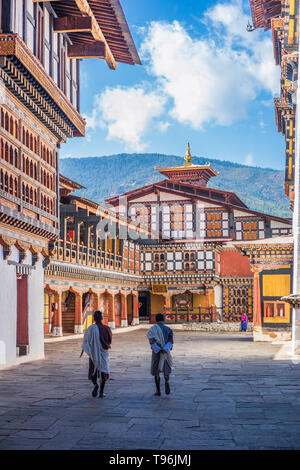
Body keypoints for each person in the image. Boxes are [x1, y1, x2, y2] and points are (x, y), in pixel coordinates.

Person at [81, 310, 112, 398]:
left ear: (94, 318)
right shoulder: (107, 329)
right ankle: (101, 392)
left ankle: (95, 385)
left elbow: (86, 341)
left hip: (93, 354)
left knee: (93, 370)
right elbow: (109, 341)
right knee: (104, 372)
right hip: (103, 354)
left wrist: (92, 349)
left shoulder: (90, 328)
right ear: (102, 318)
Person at [147, 313, 174, 396]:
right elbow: (171, 341)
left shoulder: (152, 329)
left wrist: (159, 349)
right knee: (166, 367)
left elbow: (151, 341)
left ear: (156, 320)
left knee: (156, 371)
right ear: (163, 319)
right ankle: (167, 380)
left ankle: (158, 391)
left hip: (157, 353)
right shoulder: (168, 329)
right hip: (166, 352)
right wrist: (165, 349)